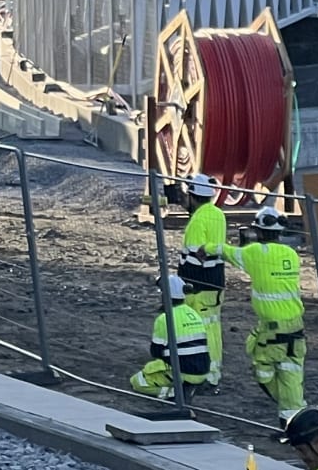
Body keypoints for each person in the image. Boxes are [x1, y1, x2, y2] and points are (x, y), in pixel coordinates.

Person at [226, 205, 306, 422]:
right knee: (291, 372)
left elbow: (229, 252)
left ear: (258, 232)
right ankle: (294, 414)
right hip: (295, 327)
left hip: (273, 331)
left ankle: (294, 412)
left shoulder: (254, 253)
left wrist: (208, 248)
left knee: (263, 370)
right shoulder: (291, 253)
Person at [175, 172, 227, 386]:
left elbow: (197, 258)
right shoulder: (218, 214)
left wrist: (184, 284)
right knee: (213, 327)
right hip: (215, 283)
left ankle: (207, 374)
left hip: (199, 287)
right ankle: (213, 372)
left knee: (201, 330)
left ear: (193, 196)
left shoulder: (197, 221)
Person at [128, 274, 211, 401]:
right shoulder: (192, 313)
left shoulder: (164, 318)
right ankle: (189, 386)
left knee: (138, 381)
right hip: (203, 370)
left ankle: (174, 393)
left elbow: (156, 351)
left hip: (183, 372)